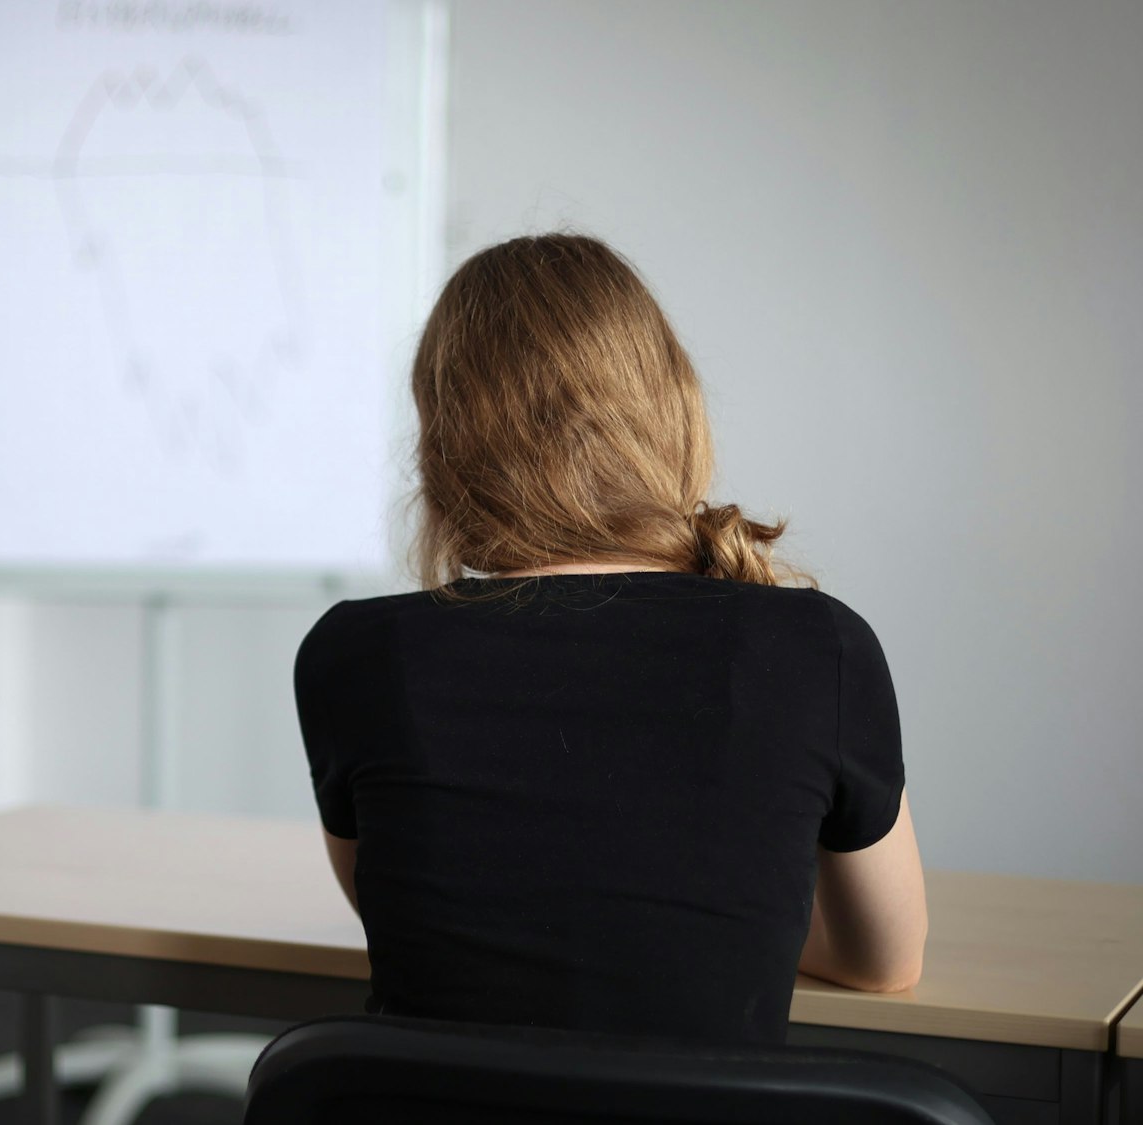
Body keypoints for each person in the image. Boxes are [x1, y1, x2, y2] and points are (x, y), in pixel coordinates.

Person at [294, 233, 927, 1045]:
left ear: (445, 447)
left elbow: (409, 917)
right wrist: (732, 914)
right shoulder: (818, 648)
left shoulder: (358, 657)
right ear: (670, 408)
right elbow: (887, 960)